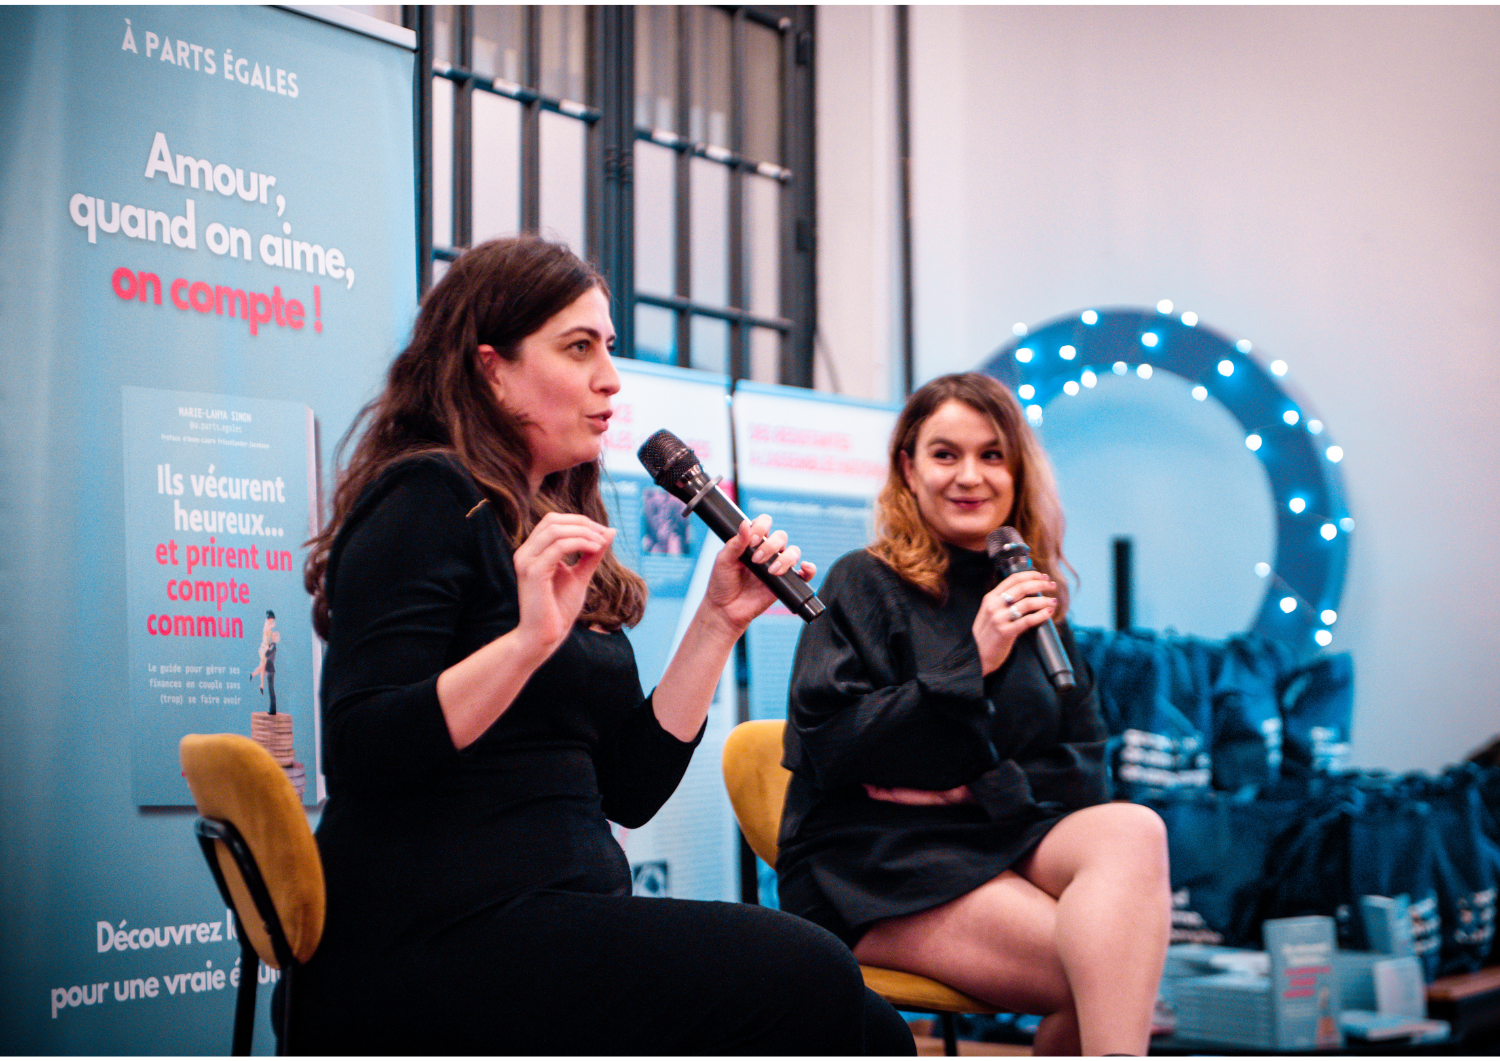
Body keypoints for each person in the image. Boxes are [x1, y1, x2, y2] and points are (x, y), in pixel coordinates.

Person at [293, 236, 914, 1055]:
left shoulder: (546, 511)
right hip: (434, 938)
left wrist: (718, 620)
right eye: (578, 348)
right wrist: (525, 642)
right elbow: (363, 748)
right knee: (812, 973)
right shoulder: (426, 495)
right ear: (492, 368)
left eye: (608, 348)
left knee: (870, 1027)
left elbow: (628, 787)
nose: (610, 378)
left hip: (556, 918)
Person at [776, 373, 1170, 1056]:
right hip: (875, 859)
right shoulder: (860, 581)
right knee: (1107, 965)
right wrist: (973, 659)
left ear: (1017, 472)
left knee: (1134, 829)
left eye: (992, 455)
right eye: (945, 453)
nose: (970, 476)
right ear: (908, 466)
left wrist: (971, 789)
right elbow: (832, 745)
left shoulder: (1028, 593)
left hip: (997, 835)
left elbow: (1083, 770)